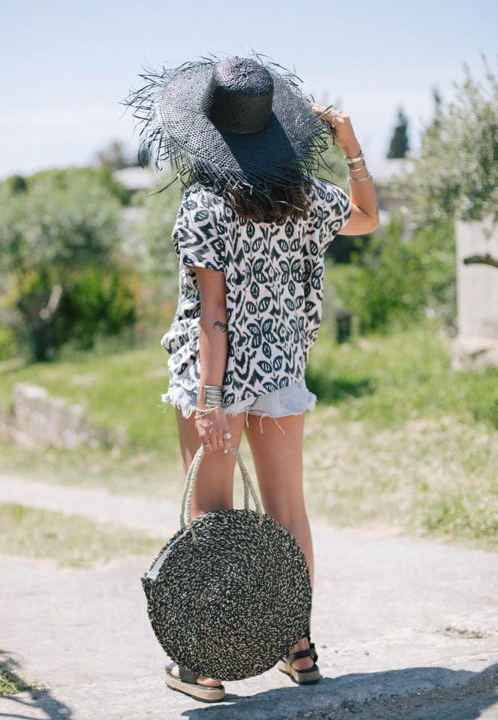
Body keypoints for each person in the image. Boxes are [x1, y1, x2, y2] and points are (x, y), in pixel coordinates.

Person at [124, 53, 379, 703]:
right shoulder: (306, 200)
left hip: (220, 378)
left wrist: (211, 398)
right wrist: (349, 149)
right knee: (288, 510)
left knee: (213, 515)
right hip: (282, 369)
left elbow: (213, 317)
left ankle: (207, 668)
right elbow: (369, 218)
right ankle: (298, 649)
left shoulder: (206, 204)